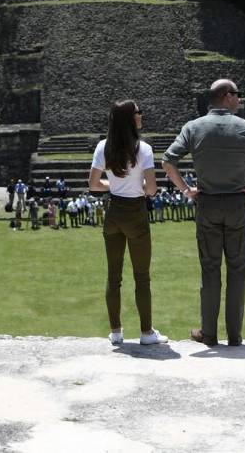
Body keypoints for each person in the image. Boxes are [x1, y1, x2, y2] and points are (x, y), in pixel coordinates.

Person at [163, 79, 245, 347]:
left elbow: (168, 161)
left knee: (210, 269)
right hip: (238, 204)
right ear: (227, 96)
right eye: (237, 95)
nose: (240, 99)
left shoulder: (193, 128)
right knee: (238, 270)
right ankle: (235, 335)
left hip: (207, 203)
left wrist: (186, 190)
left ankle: (209, 333)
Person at [89, 99, 168, 346]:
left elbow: (93, 184)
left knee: (114, 276)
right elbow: (152, 189)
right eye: (138, 113)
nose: (141, 116)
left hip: (113, 211)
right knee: (141, 276)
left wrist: (113, 185)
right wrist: (137, 186)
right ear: (130, 119)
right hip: (135, 212)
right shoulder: (143, 149)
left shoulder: (103, 147)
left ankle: (116, 331)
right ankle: (146, 332)